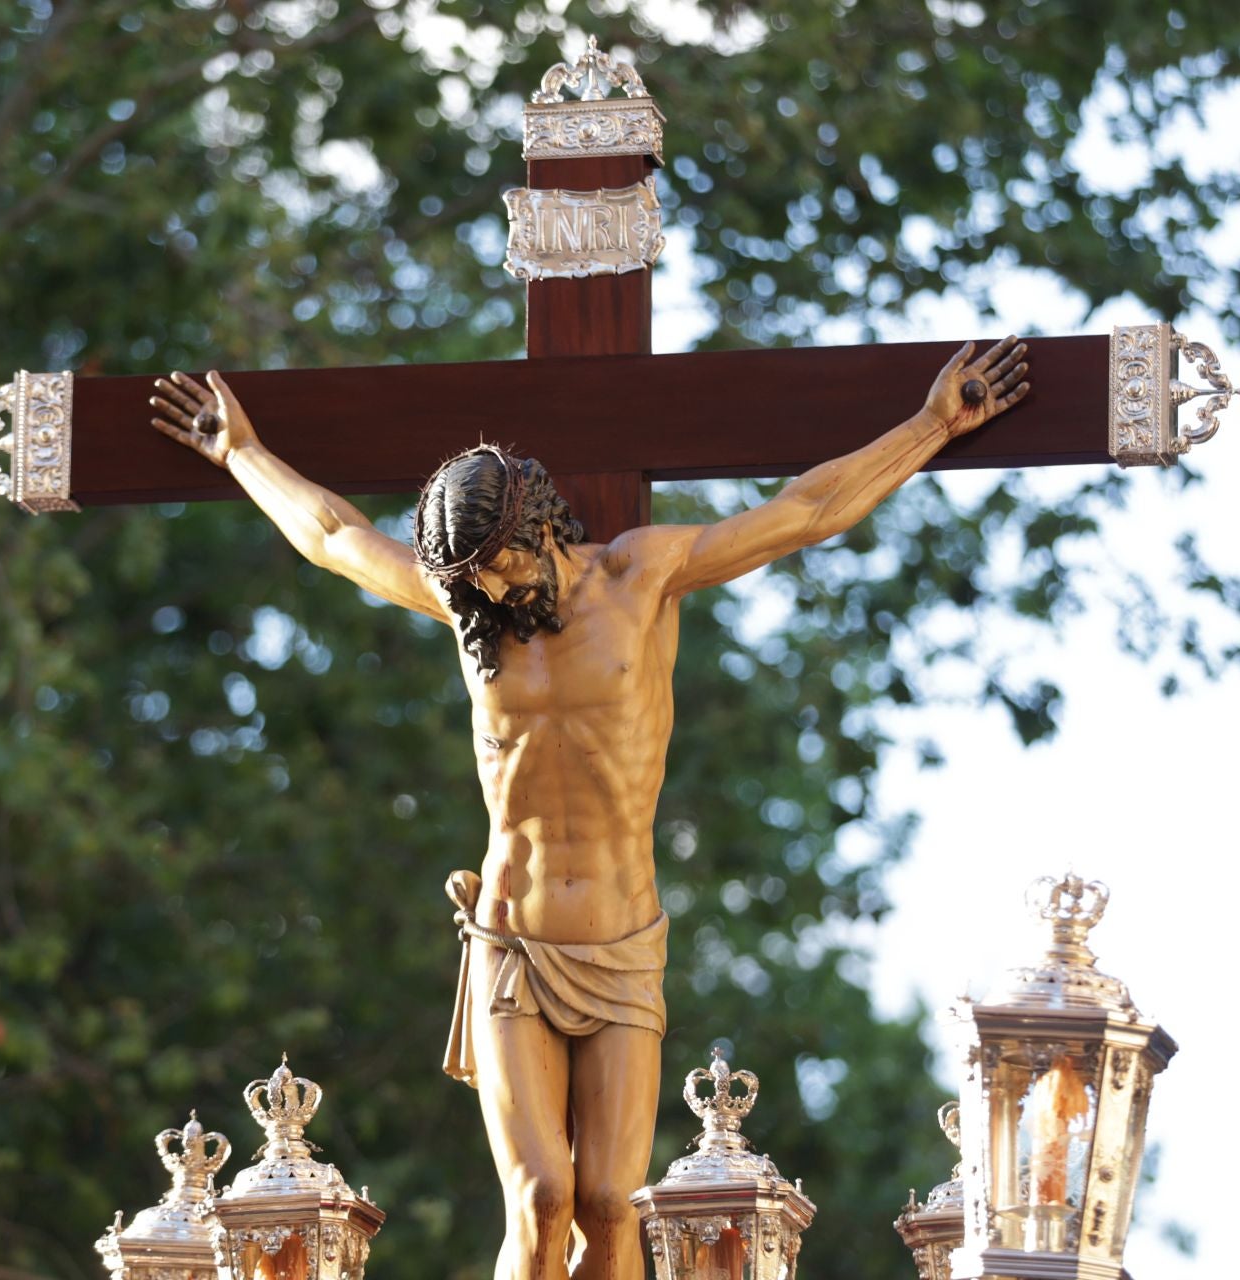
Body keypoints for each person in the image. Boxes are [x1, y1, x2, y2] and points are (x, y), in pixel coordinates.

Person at [147, 337, 1029, 1280]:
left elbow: (803, 511)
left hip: (619, 940)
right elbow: (333, 536)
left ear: (536, 526)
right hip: (512, 943)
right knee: (539, 1201)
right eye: (466, 579)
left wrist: (934, 424)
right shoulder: (466, 610)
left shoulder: (639, 577)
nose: (482, 591)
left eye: (494, 568)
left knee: (611, 1209)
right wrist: (237, 451)